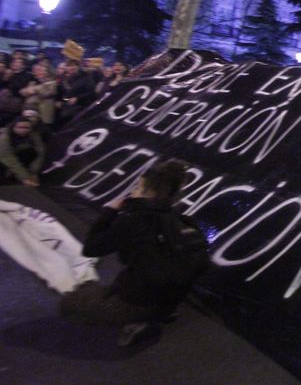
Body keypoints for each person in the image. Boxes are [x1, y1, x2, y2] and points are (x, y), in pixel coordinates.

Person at [61, 160, 207, 346]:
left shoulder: (134, 221)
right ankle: (160, 313)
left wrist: (109, 212)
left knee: (69, 303)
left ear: (150, 192)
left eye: (138, 187)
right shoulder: (184, 222)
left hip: (138, 300)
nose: (133, 192)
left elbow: (91, 248)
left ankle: (138, 320)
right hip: (171, 299)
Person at [0, 115, 45, 186]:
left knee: (31, 152)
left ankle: (15, 175)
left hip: (17, 155)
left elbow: (40, 152)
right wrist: (25, 177)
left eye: (27, 128)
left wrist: (34, 172)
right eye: (20, 127)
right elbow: (7, 157)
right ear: (14, 127)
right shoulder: (5, 137)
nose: (24, 130)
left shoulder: (33, 135)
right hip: (4, 157)